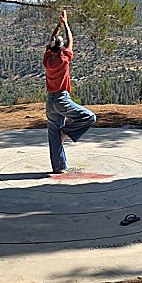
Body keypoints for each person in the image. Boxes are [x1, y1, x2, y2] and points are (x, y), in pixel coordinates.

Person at [43, 10, 96, 173]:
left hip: (50, 102)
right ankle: (65, 132)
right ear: (61, 48)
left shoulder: (47, 60)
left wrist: (57, 26)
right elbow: (71, 40)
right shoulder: (64, 59)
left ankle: (59, 167)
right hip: (61, 99)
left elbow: (50, 42)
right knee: (89, 117)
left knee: (53, 136)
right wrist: (65, 23)